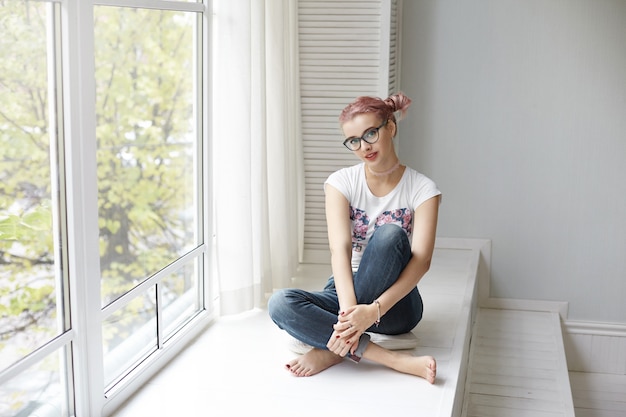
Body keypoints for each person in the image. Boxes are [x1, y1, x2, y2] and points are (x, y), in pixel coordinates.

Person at [268, 92, 441, 382]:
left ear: (391, 127)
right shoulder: (341, 182)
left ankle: (330, 349)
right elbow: (340, 249)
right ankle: (389, 358)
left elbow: (421, 261)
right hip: (345, 290)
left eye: (370, 134)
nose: (364, 147)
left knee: (390, 235)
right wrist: (352, 314)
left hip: (395, 306)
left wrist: (372, 311)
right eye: (354, 141)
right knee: (280, 303)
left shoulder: (422, 188)